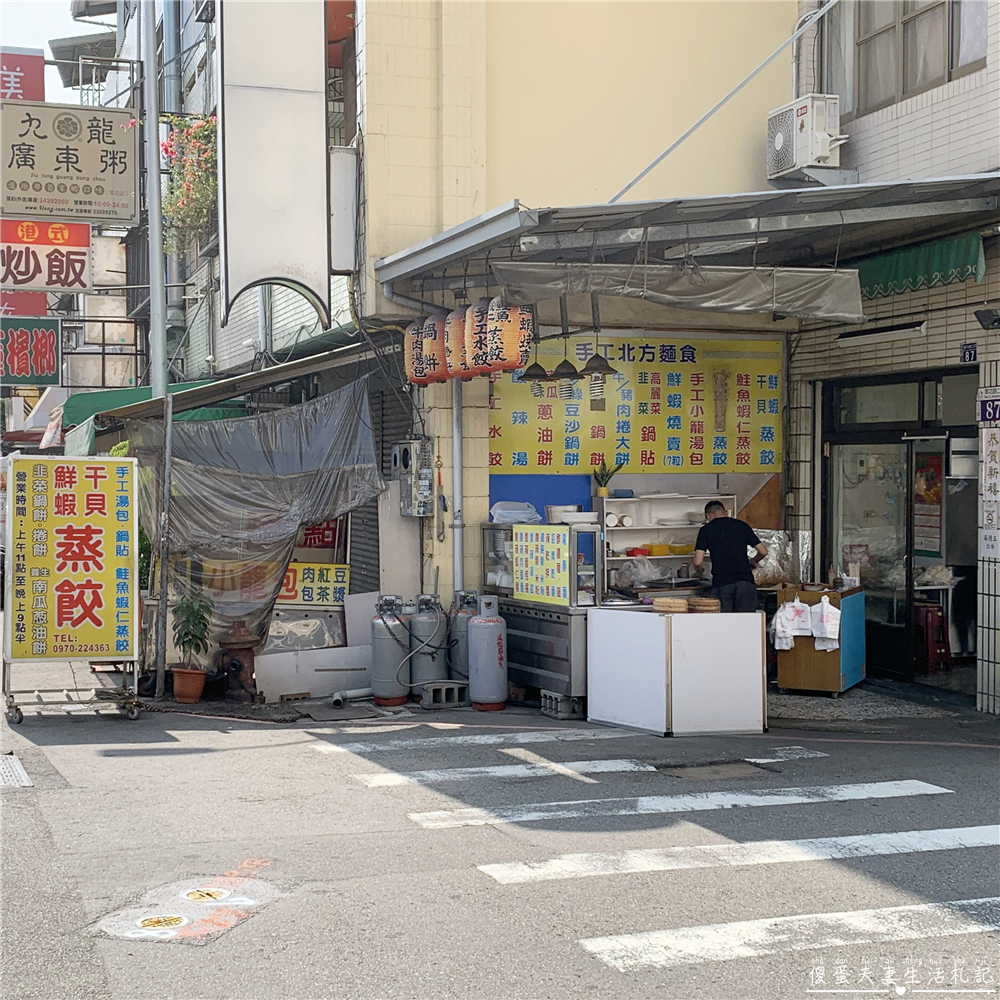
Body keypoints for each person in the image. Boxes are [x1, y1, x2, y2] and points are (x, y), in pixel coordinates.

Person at [692, 500, 767, 613]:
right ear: (725, 512)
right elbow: (763, 551)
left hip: (722, 584)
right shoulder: (741, 525)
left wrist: (699, 571)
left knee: (726, 624)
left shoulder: (706, 530)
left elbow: (698, 561)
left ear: (708, 516)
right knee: (746, 623)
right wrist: (753, 561)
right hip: (745, 583)